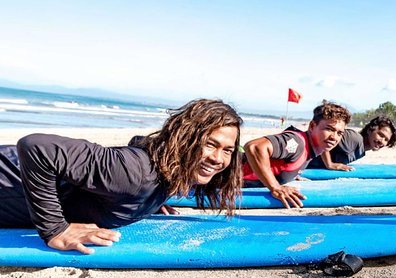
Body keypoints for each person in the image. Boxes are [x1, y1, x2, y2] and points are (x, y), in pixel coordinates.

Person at [0, 99, 244, 254]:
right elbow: (37, 147)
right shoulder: (135, 174)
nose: (218, 158)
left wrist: (153, 200)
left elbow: (138, 143)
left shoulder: (159, 177)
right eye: (210, 145)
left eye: (227, 150)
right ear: (185, 140)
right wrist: (55, 229)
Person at [243, 101, 351, 208]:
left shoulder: (310, 151)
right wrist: (275, 187)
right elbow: (255, 147)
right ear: (312, 126)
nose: (334, 137)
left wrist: (292, 175)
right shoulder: (297, 143)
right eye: (329, 129)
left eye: (339, 133)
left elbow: (283, 164)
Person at [306, 116, 396, 171]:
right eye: (380, 134)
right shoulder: (355, 139)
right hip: (296, 157)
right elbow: (322, 139)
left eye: (386, 140)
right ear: (370, 130)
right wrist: (329, 164)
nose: (382, 141)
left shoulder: (361, 151)